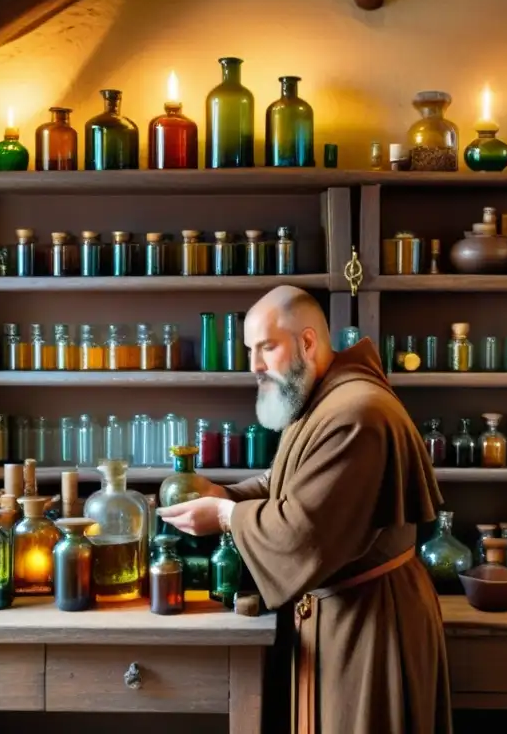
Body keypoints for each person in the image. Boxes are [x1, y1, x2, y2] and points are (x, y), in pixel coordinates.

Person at [158, 285, 452, 734]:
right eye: (249, 350)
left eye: (266, 347)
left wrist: (224, 516)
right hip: (343, 615)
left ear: (308, 342)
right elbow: (283, 484)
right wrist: (224, 493)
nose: (254, 365)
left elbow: (303, 531)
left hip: (370, 625)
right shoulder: (324, 398)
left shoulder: (356, 413)